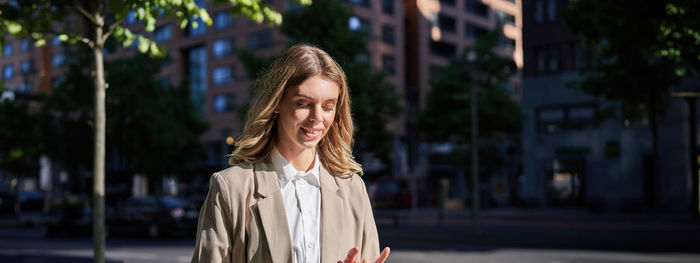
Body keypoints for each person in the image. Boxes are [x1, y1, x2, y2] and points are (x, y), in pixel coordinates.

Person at [191, 44, 391, 263]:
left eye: (328, 106)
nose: (317, 117)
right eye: (303, 103)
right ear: (277, 103)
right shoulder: (231, 188)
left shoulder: (353, 189)